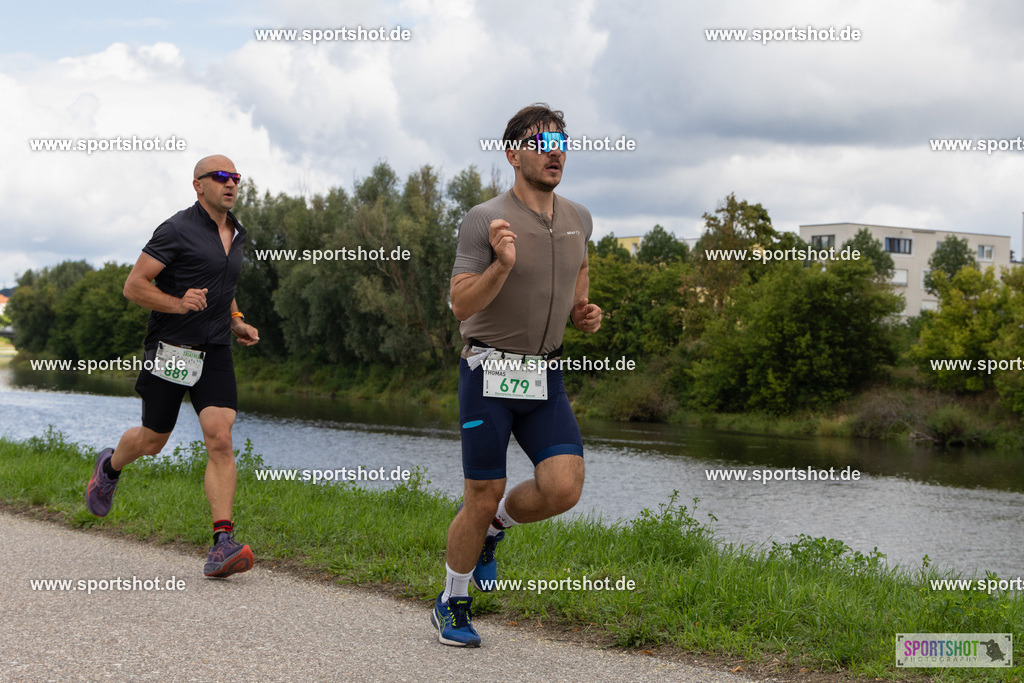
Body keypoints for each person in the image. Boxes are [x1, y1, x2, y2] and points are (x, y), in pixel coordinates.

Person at [432, 104, 602, 646]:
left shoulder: (580, 217)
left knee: (564, 488)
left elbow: (579, 268)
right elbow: (460, 304)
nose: (555, 150)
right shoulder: (486, 218)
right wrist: (501, 265)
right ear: (513, 153)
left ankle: (493, 532)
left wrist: (582, 309)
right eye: (541, 140)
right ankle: (451, 601)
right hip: (488, 371)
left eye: (561, 140)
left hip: (543, 374)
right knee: (482, 491)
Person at [85, 154, 260, 578]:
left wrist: (235, 320)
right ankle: (109, 467)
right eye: (220, 177)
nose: (231, 183)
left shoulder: (236, 233)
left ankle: (222, 543)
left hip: (216, 348)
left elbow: (224, 287)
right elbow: (134, 285)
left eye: (235, 177)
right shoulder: (176, 229)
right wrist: (179, 304)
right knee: (152, 441)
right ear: (198, 185)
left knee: (220, 438)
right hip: (172, 348)